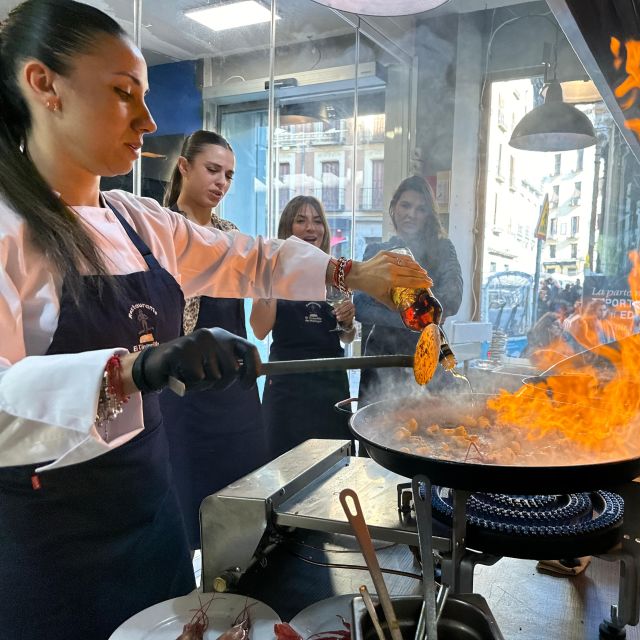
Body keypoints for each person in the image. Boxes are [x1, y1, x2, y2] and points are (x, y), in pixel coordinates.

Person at [0, 3, 432, 638]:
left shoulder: (134, 219)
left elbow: (251, 258)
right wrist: (135, 368)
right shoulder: (8, 228)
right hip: (53, 545)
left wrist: (355, 273)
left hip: (152, 513)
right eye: (123, 94)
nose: (148, 121)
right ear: (44, 85)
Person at [155, 130, 266, 550]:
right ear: (184, 167)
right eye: (212, 170)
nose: (221, 182)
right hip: (183, 393)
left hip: (235, 395)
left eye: (229, 175)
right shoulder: (159, 231)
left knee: (241, 504)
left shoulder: (231, 234)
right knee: (186, 502)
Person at [250, 196, 356, 457]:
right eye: (301, 221)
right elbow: (259, 329)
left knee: (334, 465)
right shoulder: (272, 270)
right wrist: (272, 275)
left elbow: (347, 337)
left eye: (317, 221)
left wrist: (348, 321)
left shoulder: (336, 274)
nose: (311, 228)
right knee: (282, 464)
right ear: (287, 228)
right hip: (288, 384)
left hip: (331, 383)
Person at [355, 176, 463, 405]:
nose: (411, 214)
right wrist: (420, 316)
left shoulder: (442, 249)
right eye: (405, 205)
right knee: (374, 430)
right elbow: (362, 307)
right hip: (381, 360)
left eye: (420, 209)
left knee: (432, 431)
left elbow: (452, 299)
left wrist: (391, 308)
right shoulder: (377, 251)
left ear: (428, 216)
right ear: (393, 208)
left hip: (429, 357)